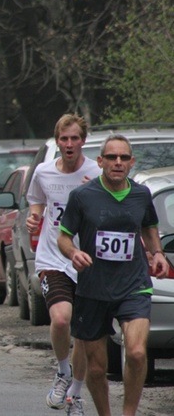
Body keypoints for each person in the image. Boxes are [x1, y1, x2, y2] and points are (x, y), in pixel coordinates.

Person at [57, 134, 170, 416]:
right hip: (93, 288)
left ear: (131, 162)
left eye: (123, 158)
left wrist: (157, 253)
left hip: (134, 284)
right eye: (111, 157)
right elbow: (64, 237)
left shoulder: (141, 194)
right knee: (96, 369)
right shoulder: (82, 196)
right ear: (100, 161)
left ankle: (128, 413)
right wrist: (73, 253)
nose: (117, 162)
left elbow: (149, 227)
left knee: (136, 352)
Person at [25, 114, 100, 415]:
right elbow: (36, 203)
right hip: (53, 257)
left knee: (82, 332)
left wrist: (94, 193)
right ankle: (62, 371)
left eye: (75, 138)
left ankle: (76, 394)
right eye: (64, 139)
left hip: (87, 260)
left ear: (84, 140)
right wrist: (34, 217)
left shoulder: (96, 172)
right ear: (57, 141)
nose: (69, 144)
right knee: (60, 319)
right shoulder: (43, 172)